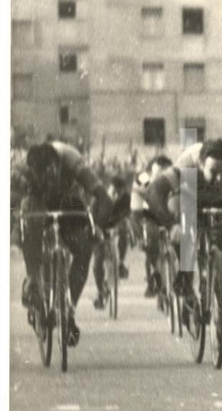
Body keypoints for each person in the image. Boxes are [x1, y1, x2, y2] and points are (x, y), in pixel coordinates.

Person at [145, 139, 222, 354]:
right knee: (183, 220)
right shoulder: (186, 166)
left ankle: (221, 314)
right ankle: (185, 278)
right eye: (214, 171)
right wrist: (171, 223)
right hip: (189, 195)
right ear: (201, 164)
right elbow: (155, 191)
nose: (220, 177)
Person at [19, 141, 121, 347]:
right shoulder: (24, 170)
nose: (50, 178)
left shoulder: (73, 162)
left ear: (58, 165)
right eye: (44, 176)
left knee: (84, 250)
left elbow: (104, 198)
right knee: (28, 226)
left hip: (68, 201)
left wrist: (97, 228)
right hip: (36, 200)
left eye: (53, 173)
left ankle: (69, 310)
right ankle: (33, 280)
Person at [130, 156, 174, 299]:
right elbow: (135, 210)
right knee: (151, 238)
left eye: (165, 173)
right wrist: (139, 236)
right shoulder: (142, 180)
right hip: (150, 215)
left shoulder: (175, 178)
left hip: (170, 213)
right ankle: (152, 280)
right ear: (149, 172)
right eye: (158, 174)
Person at [92, 176, 133, 309]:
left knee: (124, 229)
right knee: (98, 260)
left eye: (119, 194)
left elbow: (128, 216)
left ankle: (120, 262)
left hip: (115, 227)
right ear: (108, 189)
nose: (116, 196)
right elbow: (90, 218)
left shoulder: (126, 198)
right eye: (113, 192)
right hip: (100, 230)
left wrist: (129, 231)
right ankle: (100, 291)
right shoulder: (98, 198)